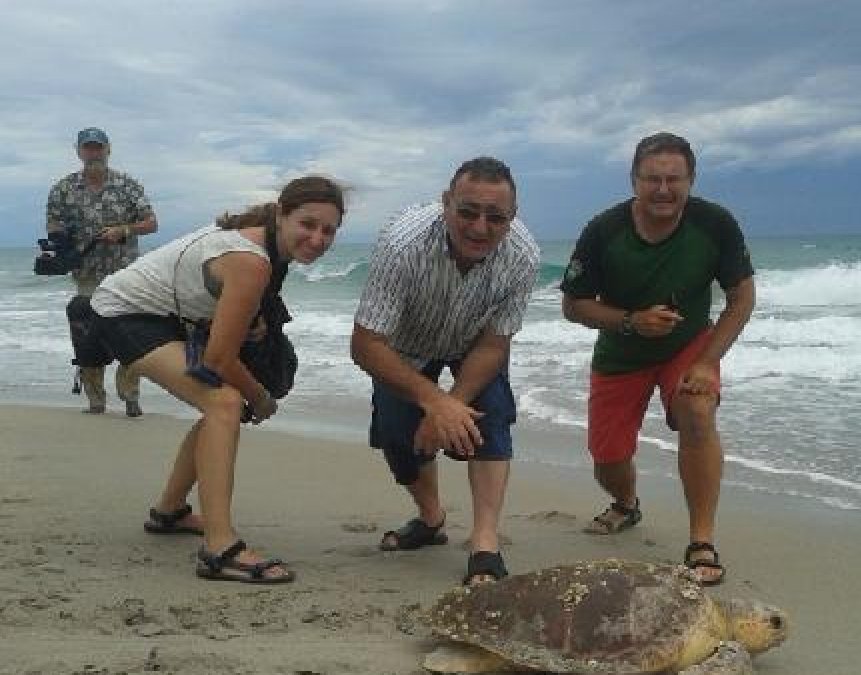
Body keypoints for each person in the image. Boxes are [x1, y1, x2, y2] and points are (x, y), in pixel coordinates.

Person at [90, 175, 346, 583]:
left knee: (221, 406)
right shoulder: (251, 260)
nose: (317, 238)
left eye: (328, 230)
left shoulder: (269, 242)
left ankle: (170, 511)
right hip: (122, 313)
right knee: (224, 402)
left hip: (170, 315)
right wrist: (259, 397)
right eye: (308, 224)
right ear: (282, 214)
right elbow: (219, 359)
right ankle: (219, 548)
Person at [560, 132, 755, 586]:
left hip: (689, 346)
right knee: (608, 461)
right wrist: (632, 321)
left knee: (698, 410)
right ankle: (626, 503)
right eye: (652, 179)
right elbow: (574, 305)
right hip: (621, 350)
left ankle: (701, 541)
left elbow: (742, 298)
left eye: (674, 179)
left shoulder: (715, 223)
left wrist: (706, 362)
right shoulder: (604, 230)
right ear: (634, 181)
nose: (663, 189)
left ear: (691, 180)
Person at [351, 157, 539, 586]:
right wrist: (433, 402)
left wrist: (453, 404)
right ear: (446, 203)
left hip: (473, 341)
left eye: (496, 217)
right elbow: (365, 343)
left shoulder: (523, 255)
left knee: (491, 416)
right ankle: (431, 518)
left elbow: (494, 343)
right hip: (404, 344)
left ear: (512, 217)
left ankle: (485, 542)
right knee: (398, 438)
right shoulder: (403, 245)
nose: (479, 228)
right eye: (467, 212)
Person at [46, 127, 158, 417]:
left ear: (108, 150)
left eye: (98, 147)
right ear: (78, 151)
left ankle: (131, 397)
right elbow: (53, 225)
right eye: (88, 148)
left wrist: (124, 230)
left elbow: (151, 223)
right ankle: (95, 400)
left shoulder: (127, 185)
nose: (93, 153)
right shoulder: (63, 189)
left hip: (126, 274)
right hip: (86, 275)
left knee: (131, 333)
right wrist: (58, 246)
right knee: (86, 335)